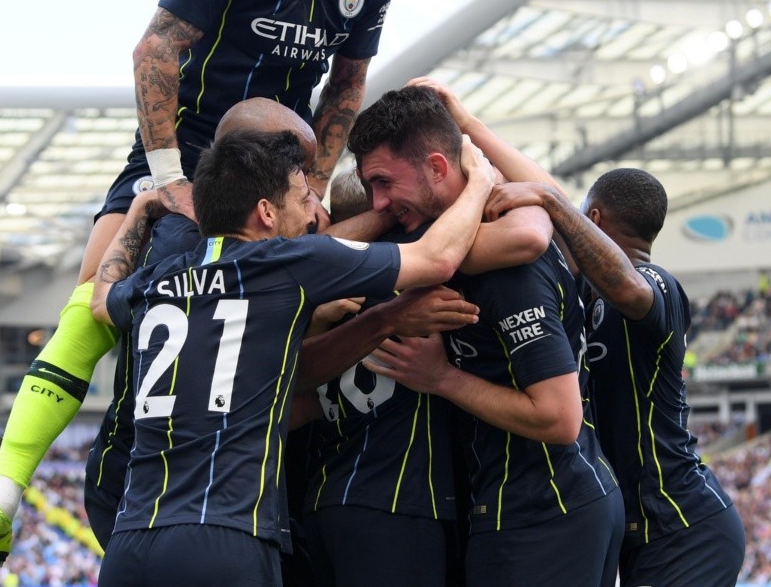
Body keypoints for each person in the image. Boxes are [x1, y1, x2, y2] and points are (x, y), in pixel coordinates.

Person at [0, 0, 394, 562]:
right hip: (187, 145)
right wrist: (168, 177)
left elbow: (347, 88)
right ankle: (0, 496)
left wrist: (314, 187)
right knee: (94, 294)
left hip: (274, 162)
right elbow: (154, 52)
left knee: (305, 290)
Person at [90, 126, 494, 587]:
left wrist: (139, 209)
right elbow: (438, 258)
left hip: (129, 543)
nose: (313, 216)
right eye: (303, 199)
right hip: (223, 538)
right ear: (265, 212)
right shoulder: (289, 262)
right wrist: (478, 179)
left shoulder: (158, 279)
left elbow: (101, 298)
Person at [352, 85, 624, 587]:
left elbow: (559, 417)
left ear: (438, 167)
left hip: (542, 511)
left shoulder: (504, 266)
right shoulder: (485, 226)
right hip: (552, 503)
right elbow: (553, 212)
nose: (381, 203)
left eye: (385, 182)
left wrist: (441, 378)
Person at [488, 168, 746, 587]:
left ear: (594, 218)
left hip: (684, 525)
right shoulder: (583, 295)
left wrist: (554, 203)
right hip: (643, 533)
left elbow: (627, 284)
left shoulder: (655, 282)